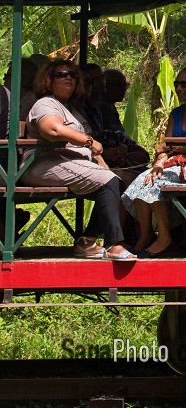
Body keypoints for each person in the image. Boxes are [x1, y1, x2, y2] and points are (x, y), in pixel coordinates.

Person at [23, 60, 135, 261]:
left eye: (72, 75)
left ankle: (88, 241)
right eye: (61, 74)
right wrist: (88, 141)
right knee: (110, 182)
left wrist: (104, 165)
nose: (68, 77)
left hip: (71, 163)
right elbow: (52, 129)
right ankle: (113, 245)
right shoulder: (46, 103)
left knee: (124, 180)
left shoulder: (72, 108)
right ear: (49, 81)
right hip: (44, 163)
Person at [121, 63, 186, 257]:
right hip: (175, 163)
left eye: (185, 84)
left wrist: (169, 149)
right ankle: (146, 234)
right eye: (177, 84)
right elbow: (165, 146)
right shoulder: (176, 113)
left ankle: (165, 237)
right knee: (143, 179)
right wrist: (159, 162)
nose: (179, 88)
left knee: (157, 182)